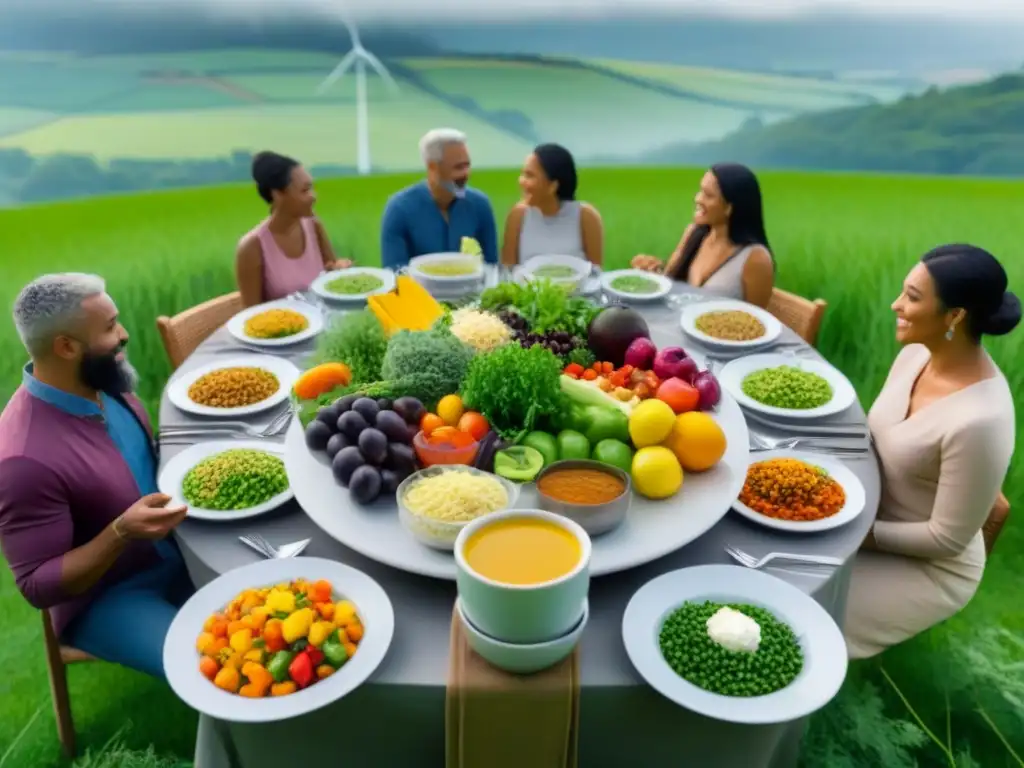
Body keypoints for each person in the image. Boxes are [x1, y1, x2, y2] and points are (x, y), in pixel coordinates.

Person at [0, 273, 194, 679]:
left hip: (178, 547)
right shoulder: (22, 460)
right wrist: (121, 532)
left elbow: (141, 456)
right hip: (109, 596)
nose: (123, 335)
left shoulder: (103, 379)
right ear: (67, 346)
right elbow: (37, 584)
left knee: (274, 603)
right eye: (109, 327)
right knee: (206, 666)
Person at [844, 244, 1018, 659]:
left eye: (912, 297)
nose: (896, 305)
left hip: (927, 566)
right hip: (866, 517)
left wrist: (856, 533)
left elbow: (945, 539)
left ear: (955, 316)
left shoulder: (981, 420)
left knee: (801, 610)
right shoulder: (915, 354)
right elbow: (878, 439)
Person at [631, 163, 774, 308]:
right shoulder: (694, 233)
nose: (698, 199)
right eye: (700, 190)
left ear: (729, 208)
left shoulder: (755, 258)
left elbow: (758, 321)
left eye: (708, 195)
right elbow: (669, 280)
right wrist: (651, 271)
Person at [236, 151, 352, 307]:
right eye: (305, 191)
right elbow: (250, 316)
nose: (313, 196)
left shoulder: (314, 226)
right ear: (278, 194)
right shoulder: (252, 247)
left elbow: (331, 278)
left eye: (311, 188)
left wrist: (339, 269)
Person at [380, 128, 498, 269]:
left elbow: (492, 268)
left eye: (467, 165)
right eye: (458, 167)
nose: (466, 174)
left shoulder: (480, 206)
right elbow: (395, 272)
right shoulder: (399, 210)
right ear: (432, 167)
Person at [501, 143, 603, 267]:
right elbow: (508, 271)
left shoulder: (586, 216)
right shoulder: (517, 216)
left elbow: (595, 273)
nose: (521, 181)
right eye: (523, 174)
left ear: (553, 186)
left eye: (530, 175)